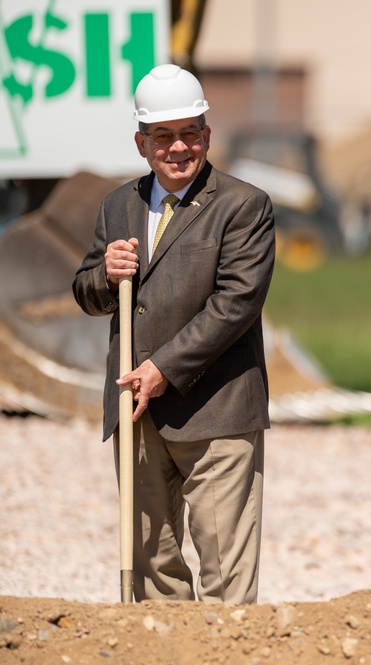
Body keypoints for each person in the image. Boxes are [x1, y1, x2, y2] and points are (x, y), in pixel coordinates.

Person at [72, 64, 276, 603]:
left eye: (189, 133)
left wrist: (163, 368)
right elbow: (87, 293)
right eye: (162, 135)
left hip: (217, 413)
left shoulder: (243, 205)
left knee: (226, 577)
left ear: (207, 135)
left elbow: (236, 304)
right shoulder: (119, 205)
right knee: (152, 565)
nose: (178, 147)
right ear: (141, 142)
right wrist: (104, 273)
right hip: (137, 416)